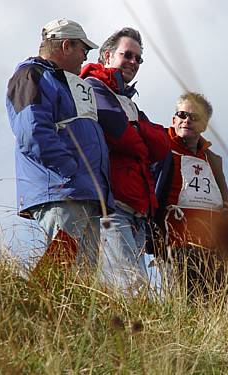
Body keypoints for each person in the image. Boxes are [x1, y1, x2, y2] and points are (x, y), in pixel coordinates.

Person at [6, 19, 114, 270]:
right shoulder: (31, 75)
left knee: (82, 280)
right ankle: (33, 309)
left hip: (81, 190)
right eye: (83, 51)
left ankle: (57, 310)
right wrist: (70, 169)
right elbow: (31, 132)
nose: (85, 58)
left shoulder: (64, 83)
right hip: (62, 189)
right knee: (60, 269)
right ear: (66, 45)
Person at [79, 28, 170, 290]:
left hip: (137, 209)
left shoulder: (126, 99)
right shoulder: (93, 87)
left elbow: (161, 144)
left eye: (138, 58)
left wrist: (138, 132)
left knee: (132, 285)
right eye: (127, 55)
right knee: (132, 286)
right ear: (107, 56)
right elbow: (122, 136)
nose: (133, 62)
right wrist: (141, 135)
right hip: (113, 204)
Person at [153, 92, 228, 297]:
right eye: (182, 114)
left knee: (222, 310)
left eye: (195, 117)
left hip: (215, 251)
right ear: (174, 119)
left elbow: (226, 205)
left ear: (204, 126)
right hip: (176, 245)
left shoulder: (213, 159)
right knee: (183, 309)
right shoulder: (160, 147)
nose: (187, 120)